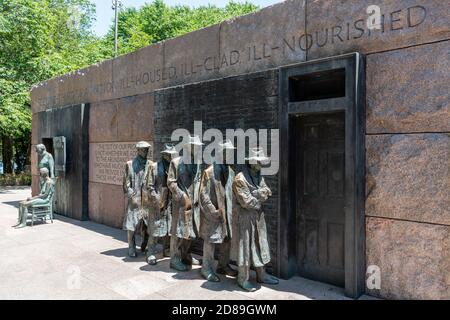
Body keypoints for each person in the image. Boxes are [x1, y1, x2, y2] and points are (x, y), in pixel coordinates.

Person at [232, 147, 279, 292]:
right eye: (259, 162)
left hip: (258, 217)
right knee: (245, 248)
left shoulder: (259, 175)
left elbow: (267, 191)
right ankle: (242, 278)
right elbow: (247, 201)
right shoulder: (240, 178)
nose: (261, 164)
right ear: (252, 162)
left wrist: (257, 193)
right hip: (245, 218)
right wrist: (259, 196)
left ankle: (261, 275)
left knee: (260, 245)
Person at [199, 140, 238, 282]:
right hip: (214, 214)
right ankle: (206, 268)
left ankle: (223, 265)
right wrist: (212, 211)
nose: (231, 154)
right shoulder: (209, 172)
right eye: (229, 151)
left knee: (226, 239)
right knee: (211, 241)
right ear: (222, 152)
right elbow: (203, 194)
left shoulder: (231, 171)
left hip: (227, 214)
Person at [167, 135, 204, 271]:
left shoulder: (198, 162)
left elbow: (199, 180)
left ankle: (186, 255)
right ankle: (174, 259)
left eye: (199, 147)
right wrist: (182, 196)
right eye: (196, 146)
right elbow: (171, 182)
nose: (198, 148)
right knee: (177, 232)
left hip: (194, 204)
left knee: (190, 232)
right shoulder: (176, 162)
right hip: (180, 204)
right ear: (189, 147)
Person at [145, 144, 178, 265]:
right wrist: (156, 200)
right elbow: (149, 186)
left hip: (170, 202)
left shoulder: (173, 167)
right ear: (163, 154)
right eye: (168, 154)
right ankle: (151, 252)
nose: (170, 156)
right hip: (157, 203)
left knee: (169, 229)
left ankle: (167, 249)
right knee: (155, 229)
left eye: (171, 154)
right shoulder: (154, 167)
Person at [123, 141, 152, 258]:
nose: (146, 152)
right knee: (132, 225)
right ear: (138, 150)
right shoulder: (130, 164)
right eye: (144, 149)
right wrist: (132, 196)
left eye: (147, 150)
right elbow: (126, 184)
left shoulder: (151, 164)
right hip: (135, 200)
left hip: (147, 200)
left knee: (147, 224)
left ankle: (145, 245)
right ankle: (131, 246)